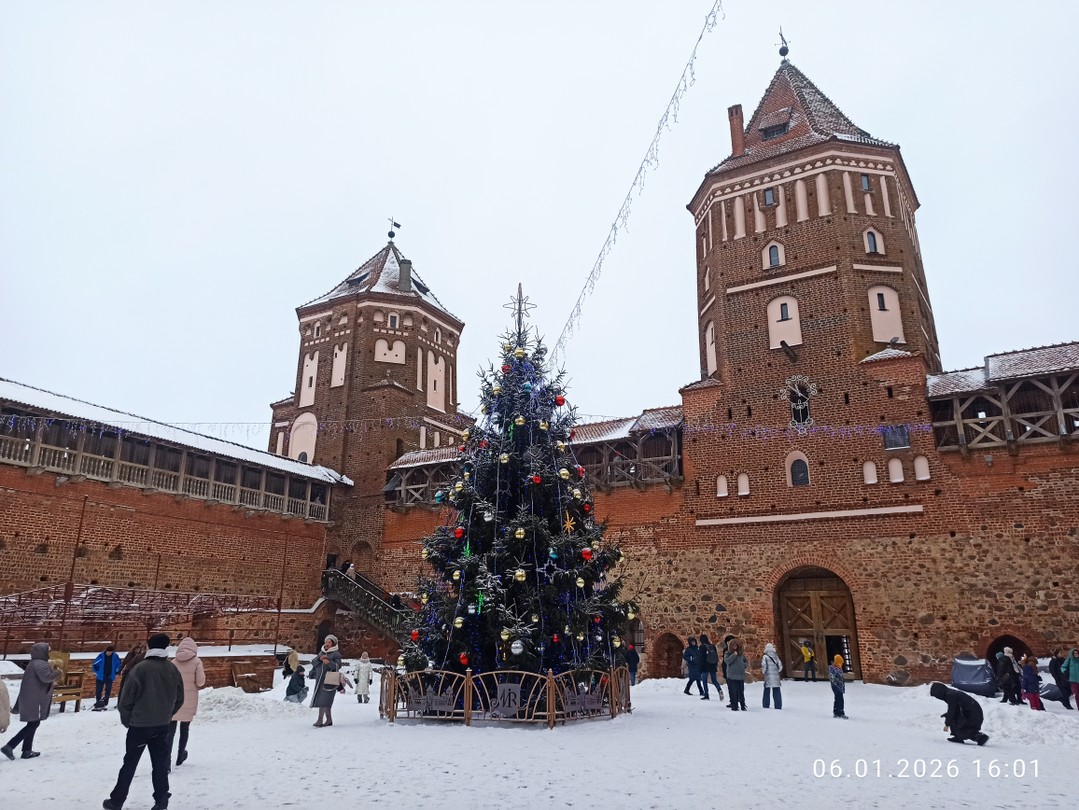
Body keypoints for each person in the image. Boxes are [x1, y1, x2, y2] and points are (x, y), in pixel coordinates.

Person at [103, 633, 184, 810]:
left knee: (130, 764)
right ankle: (161, 800)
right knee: (160, 765)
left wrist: (128, 721)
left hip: (139, 726)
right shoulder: (172, 669)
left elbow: (125, 701)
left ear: (149, 646)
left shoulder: (140, 669)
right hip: (162, 726)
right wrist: (167, 715)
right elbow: (180, 698)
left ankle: (117, 800)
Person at [1, 641, 59, 760]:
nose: (49, 653)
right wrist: (58, 673)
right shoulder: (41, 664)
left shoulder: (34, 663)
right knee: (34, 723)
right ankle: (9, 746)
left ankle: (27, 751)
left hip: (31, 697)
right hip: (35, 699)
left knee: (32, 723)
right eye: (48, 651)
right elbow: (46, 678)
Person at [168, 637, 206, 768]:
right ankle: (180, 755)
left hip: (174, 700)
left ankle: (166, 760)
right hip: (189, 700)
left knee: (170, 731)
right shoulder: (197, 662)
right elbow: (200, 682)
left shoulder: (173, 662)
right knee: (184, 729)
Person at [310, 634, 342, 727]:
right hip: (320, 680)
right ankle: (329, 719)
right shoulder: (321, 652)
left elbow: (337, 666)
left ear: (333, 644)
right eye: (326, 642)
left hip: (329, 680)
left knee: (324, 700)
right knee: (324, 700)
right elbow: (313, 662)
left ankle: (320, 720)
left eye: (329, 642)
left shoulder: (336, 654)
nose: (327, 644)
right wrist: (320, 659)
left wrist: (329, 662)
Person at [93, 646, 123, 710]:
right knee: (99, 690)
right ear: (106, 651)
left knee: (108, 690)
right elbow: (95, 664)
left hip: (109, 676)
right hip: (101, 676)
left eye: (111, 652)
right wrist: (97, 672)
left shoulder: (115, 656)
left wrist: (116, 672)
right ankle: (98, 701)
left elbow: (118, 665)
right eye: (108, 652)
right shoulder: (101, 656)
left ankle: (105, 702)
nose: (109, 653)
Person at [724, 638, 748, 711]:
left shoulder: (741, 654)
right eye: (733, 645)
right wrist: (733, 655)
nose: (735, 647)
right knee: (733, 692)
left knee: (741, 692)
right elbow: (727, 661)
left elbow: (746, 661)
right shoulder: (728, 653)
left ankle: (743, 705)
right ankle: (734, 706)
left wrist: (744, 665)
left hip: (740, 675)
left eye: (736, 645)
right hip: (732, 676)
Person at [698, 634, 723, 701]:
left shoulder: (702, 647)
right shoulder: (712, 646)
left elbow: (701, 658)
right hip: (712, 665)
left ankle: (706, 694)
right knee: (714, 680)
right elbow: (716, 657)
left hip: (705, 666)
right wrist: (715, 665)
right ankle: (719, 690)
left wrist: (700, 668)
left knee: (704, 681)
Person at [761, 642, 783, 709]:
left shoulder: (765, 657)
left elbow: (764, 666)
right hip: (776, 677)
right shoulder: (776, 656)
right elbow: (780, 666)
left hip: (768, 676)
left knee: (766, 691)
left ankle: (766, 704)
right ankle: (778, 705)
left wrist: (764, 672)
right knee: (777, 691)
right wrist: (776, 672)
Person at [829, 654, 848, 719]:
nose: (841, 665)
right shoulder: (833, 669)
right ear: (836, 662)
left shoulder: (839, 668)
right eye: (840, 663)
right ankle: (840, 712)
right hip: (836, 686)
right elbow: (832, 678)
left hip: (840, 686)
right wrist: (837, 681)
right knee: (840, 699)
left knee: (837, 699)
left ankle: (836, 712)